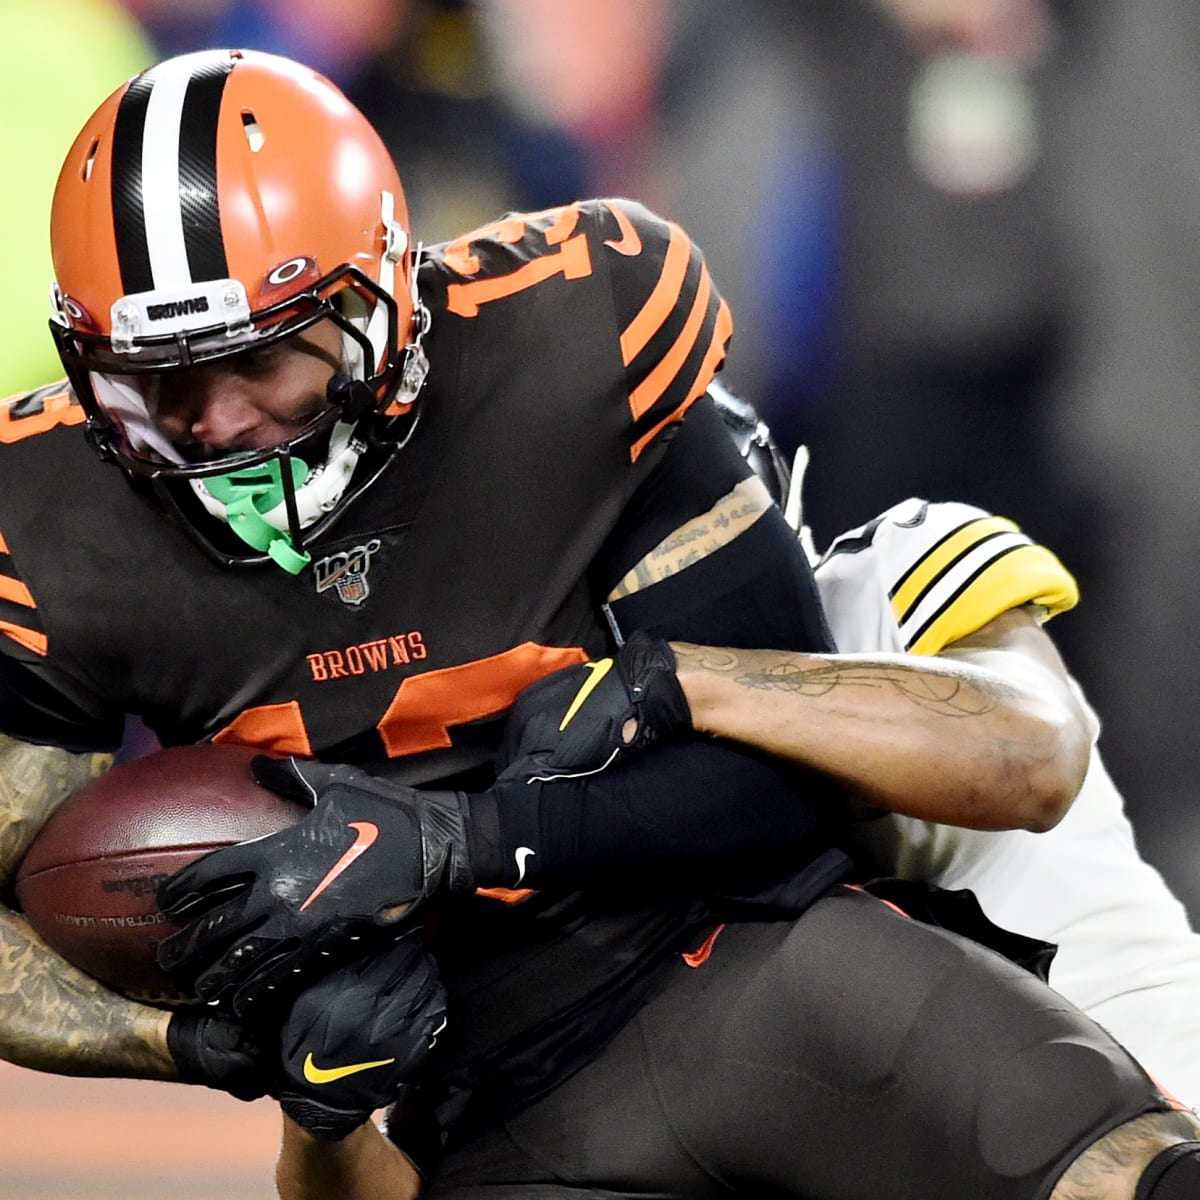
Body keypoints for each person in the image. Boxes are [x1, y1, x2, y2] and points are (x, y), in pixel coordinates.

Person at [0, 47, 1196, 1200]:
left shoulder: (580, 340)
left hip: (760, 948)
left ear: (381, 296)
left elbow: (839, 783)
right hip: (487, 1094)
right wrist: (217, 1047)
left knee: (1133, 1133)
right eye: (151, 381)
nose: (207, 425)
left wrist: (466, 834)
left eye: (257, 358)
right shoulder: (56, 514)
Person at [511, 384, 1200, 1111]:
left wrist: (688, 680)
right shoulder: (583, 766)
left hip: (1150, 1077)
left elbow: (1031, 758)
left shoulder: (884, 571)